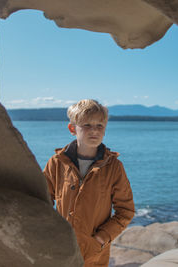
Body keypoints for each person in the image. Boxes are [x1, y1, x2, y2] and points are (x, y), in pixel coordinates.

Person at [43, 99, 135, 267]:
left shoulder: (113, 166)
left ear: (105, 129)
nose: (94, 130)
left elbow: (126, 211)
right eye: (86, 125)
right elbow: (42, 202)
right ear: (72, 129)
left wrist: (100, 240)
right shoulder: (57, 162)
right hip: (61, 251)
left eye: (99, 125)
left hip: (94, 255)